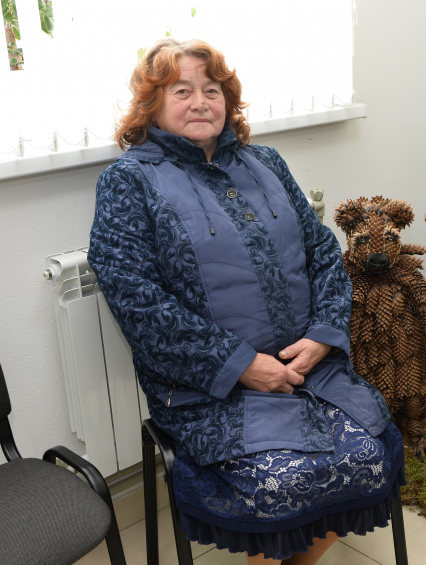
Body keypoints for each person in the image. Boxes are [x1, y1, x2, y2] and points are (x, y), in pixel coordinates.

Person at [88, 38, 404, 565]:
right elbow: (137, 302)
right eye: (182, 91)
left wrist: (321, 339)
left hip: (309, 370)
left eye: (211, 90)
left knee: (376, 451)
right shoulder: (127, 182)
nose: (200, 102)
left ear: (228, 101)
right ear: (152, 105)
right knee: (280, 486)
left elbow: (323, 252)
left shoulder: (266, 162)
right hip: (209, 390)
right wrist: (241, 366)